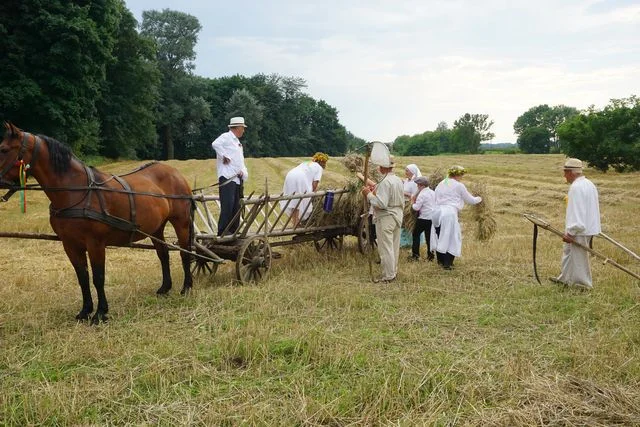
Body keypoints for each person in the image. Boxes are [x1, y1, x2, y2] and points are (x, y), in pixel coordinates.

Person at [553, 158, 601, 289]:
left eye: (565, 172)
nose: (564, 175)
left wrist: (572, 231)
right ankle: (565, 279)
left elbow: (577, 211)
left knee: (579, 258)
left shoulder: (576, 187)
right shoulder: (588, 183)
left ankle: (582, 285)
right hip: (588, 226)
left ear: (571, 172)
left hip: (580, 228)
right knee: (569, 253)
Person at [362, 156, 404, 283]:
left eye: (380, 165)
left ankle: (388, 275)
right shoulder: (397, 180)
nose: (379, 168)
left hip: (386, 216)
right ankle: (393, 271)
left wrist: (367, 194)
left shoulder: (385, 182)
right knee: (394, 246)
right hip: (397, 215)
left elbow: (381, 203)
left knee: (385, 247)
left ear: (383, 167)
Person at [432, 165, 482, 270]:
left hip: (437, 212)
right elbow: (470, 200)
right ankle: (447, 264)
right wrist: (480, 198)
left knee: (440, 236)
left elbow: (435, 197)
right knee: (452, 238)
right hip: (449, 213)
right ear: (458, 175)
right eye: (461, 175)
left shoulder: (442, 183)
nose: (462, 177)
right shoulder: (459, 185)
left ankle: (440, 261)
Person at [211, 116, 249, 236]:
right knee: (227, 205)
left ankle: (233, 230)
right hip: (227, 177)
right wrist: (224, 156)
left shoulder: (238, 143)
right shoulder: (226, 137)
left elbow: (240, 161)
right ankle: (222, 231)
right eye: (242, 128)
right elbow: (215, 144)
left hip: (236, 179)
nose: (243, 130)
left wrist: (243, 172)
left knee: (235, 207)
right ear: (237, 127)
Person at [280, 152, 329, 227]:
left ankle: (295, 223)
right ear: (322, 162)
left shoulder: (306, 162)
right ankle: (297, 223)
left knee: (294, 199)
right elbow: (315, 183)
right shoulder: (319, 168)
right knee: (303, 199)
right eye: (325, 163)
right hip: (301, 177)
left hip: (290, 174)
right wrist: (313, 192)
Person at [410, 176, 436, 261]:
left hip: (423, 218)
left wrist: (412, 202)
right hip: (432, 218)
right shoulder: (433, 192)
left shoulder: (422, 194)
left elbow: (416, 208)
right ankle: (430, 256)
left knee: (415, 234)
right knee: (429, 237)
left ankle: (415, 255)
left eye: (418, 185)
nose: (417, 186)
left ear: (422, 185)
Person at [400, 164, 422, 248]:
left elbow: (414, 195)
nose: (405, 172)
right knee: (403, 224)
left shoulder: (414, 182)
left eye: (407, 170)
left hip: (409, 204)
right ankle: (403, 242)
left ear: (412, 172)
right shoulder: (407, 180)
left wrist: (404, 193)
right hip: (403, 203)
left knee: (407, 224)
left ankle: (408, 242)